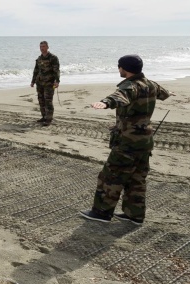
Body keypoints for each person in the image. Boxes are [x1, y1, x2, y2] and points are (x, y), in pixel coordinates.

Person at [80, 54, 171, 225]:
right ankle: (134, 215)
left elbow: (120, 96)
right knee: (137, 179)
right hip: (145, 141)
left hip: (128, 142)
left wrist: (105, 103)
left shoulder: (130, 86)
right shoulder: (150, 84)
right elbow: (164, 93)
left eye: (119, 67)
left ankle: (101, 213)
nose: (118, 69)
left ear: (124, 68)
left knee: (111, 177)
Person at [30, 40, 60, 125]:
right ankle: (44, 117)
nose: (42, 48)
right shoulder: (39, 59)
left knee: (48, 101)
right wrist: (33, 81)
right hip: (39, 83)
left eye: (43, 47)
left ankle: (49, 119)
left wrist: (57, 81)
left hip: (49, 83)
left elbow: (56, 71)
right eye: (40, 47)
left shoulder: (53, 58)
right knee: (41, 101)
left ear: (47, 47)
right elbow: (35, 70)